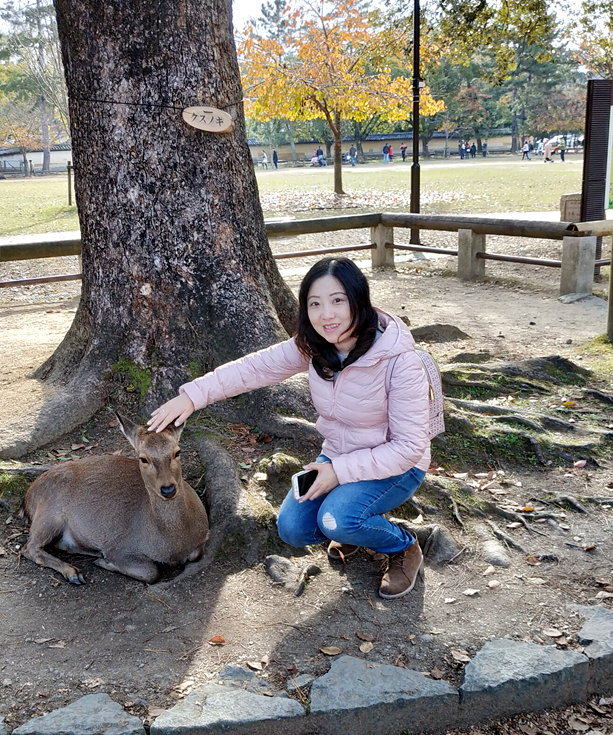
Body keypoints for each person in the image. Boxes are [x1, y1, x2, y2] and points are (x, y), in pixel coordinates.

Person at [148, 257, 431, 600]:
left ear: (360, 299)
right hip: (339, 455)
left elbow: (407, 447)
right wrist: (192, 397)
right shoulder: (316, 346)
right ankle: (353, 525)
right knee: (293, 528)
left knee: (336, 520)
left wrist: (338, 473)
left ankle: (402, 545)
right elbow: (254, 368)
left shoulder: (400, 362)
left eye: (338, 300)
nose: (326, 314)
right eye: (315, 304)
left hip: (397, 466)